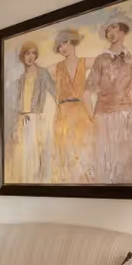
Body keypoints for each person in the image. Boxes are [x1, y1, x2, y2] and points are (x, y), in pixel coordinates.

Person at [85, 14, 132, 184]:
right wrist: (94, 119)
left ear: (123, 29)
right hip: (105, 117)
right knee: (107, 165)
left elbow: (129, 91)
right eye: (108, 30)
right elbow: (86, 93)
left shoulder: (128, 59)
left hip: (126, 116)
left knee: (127, 165)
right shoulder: (101, 59)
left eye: (114, 27)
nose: (111, 32)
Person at [49, 29, 95, 183]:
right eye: (59, 45)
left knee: (84, 153)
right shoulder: (54, 68)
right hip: (62, 114)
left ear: (73, 41)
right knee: (65, 155)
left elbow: (108, 62)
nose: (62, 47)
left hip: (80, 114)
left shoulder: (86, 62)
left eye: (65, 42)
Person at [5, 41, 54, 183]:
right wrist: (16, 122)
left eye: (33, 53)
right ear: (22, 56)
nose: (30, 57)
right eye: (27, 53)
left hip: (36, 118)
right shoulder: (20, 79)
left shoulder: (42, 73)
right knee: (21, 157)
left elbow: (54, 91)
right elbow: (17, 104)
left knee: (35, 157)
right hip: (22, 120)